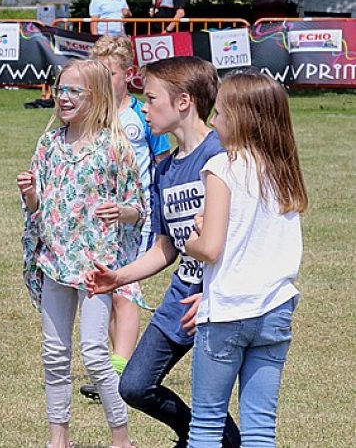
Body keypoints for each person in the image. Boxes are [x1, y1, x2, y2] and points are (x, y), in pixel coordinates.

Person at [85, 56, 241, 448]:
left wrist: (214, 293)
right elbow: (165, 246)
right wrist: (117, 278)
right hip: (180, 298)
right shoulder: (162, 167)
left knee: (211, 397)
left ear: (184, 101)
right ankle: (202, 435)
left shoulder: (221, 154)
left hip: (220, 299)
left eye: (151, 98)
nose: (144, 107)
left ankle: (214, 439)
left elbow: (239, 237)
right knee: (134, 385)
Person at [17, 58, 144, 448]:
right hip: (55, 262)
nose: (63, 97)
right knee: (54, 354)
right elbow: (37, 210)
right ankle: (59, 438)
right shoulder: (49, 144)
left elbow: (137, 207)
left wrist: (120, 211)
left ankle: (120, 437)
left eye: (74, 91)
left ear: (96, 96)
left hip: (94, 269)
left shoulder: (114, 146)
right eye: (61, 89)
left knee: (93, 354)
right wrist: (31, 195)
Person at [184, 71, 306, 446]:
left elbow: (210, 248)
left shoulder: (222, 167)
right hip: (275, 309)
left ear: (241, 119)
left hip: (228, 311)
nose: (213, 121)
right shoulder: (283, 170)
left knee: (206, 423)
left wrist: (192, 236)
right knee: (259, 427)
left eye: (219, 113)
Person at [78, 36, 170, 402]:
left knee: (126, 290)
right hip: (99, 220)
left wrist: (158, 205)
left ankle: (117, 370)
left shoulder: (140, 116)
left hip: (137, 217)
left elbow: (161, 162)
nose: (104, 79)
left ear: (127, 75)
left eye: (111, 73)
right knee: (107, 285)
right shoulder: (92, 116)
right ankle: (116, 364)